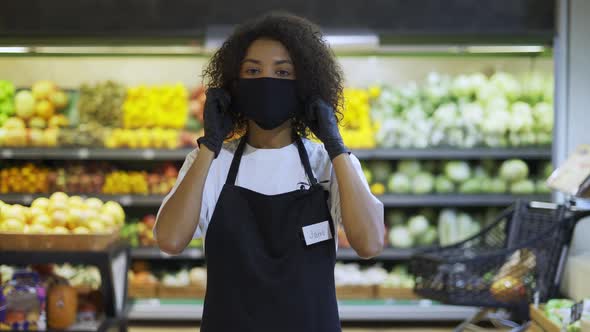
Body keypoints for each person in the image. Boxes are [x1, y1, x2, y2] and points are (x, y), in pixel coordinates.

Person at [154, 12, 384, 332]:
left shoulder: (328, 163)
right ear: (234, 84)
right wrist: (210, 144)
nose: (267, 81)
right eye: (252, 71)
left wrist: (335, 145)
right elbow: (169, 239)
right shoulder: (210, 162)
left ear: (304, 83)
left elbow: (370, 243)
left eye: (282, 71)